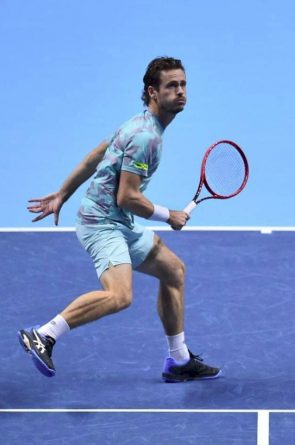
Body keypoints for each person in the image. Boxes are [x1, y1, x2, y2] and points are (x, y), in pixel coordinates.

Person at [18, 56, 221, 383]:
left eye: (183, 84)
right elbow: (127, 197)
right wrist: (170, 216)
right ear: (153, 92)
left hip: (116, 220)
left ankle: (179, 360)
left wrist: (62, 194)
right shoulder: (147, 138)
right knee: (120, 295)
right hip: (101, 223)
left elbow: (98, 154)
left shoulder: (139, 124)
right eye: (172, 86)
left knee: (174, 271)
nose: (181, 91)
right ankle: (44, 334)